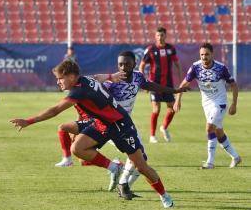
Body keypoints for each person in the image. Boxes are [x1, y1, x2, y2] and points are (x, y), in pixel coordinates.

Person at [10, 59, 174, 208]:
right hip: (102, 123)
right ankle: (114, 168)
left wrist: (28, 121)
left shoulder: (78, 92)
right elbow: (98, 77)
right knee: (77, 148)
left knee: (141, 166)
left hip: (120, 125)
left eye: (60, 78)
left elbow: (54, 111)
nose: (57, 81)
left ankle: (165, 196)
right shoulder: (85, 79)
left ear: (72, 77)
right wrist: (111, 75)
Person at [55, 52, 189, 196]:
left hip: (124, 124)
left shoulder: (138, 77)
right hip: (108, 124)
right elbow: (90, 98)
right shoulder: (112, 82)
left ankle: (122, 183)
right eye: (120, 64)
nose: (123, 67)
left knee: (140, 160)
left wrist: (174, 90)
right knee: (137, 160)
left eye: (127, 64)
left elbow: (152, 86)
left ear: (134, 64)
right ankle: (117, 176)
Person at [174, 43, 241, 169]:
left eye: (206, 54)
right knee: (218, 132)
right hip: (206, 104)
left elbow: (234, 85)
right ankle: (236, 157)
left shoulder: (221, 68)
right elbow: (184, 83)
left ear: (212, 54)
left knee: (209, 128)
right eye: (202, 55)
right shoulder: (195, 67)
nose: (204, 57)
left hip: (220, 102)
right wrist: (178, 100)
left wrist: (234, 104)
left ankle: (210, 162)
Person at [139, 27, 182, 143]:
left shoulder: (171, 49)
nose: (160, 37)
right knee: (156, 109)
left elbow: (177, 64)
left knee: (172, 108)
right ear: (155, 36)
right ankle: (152, 136)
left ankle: (164, 127)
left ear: (165, 36)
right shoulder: (151, 50)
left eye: (162, 35)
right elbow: (142, 65)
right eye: (158, 35)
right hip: (154, 84)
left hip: (168, 84)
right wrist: (143, 82)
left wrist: (181, 80)